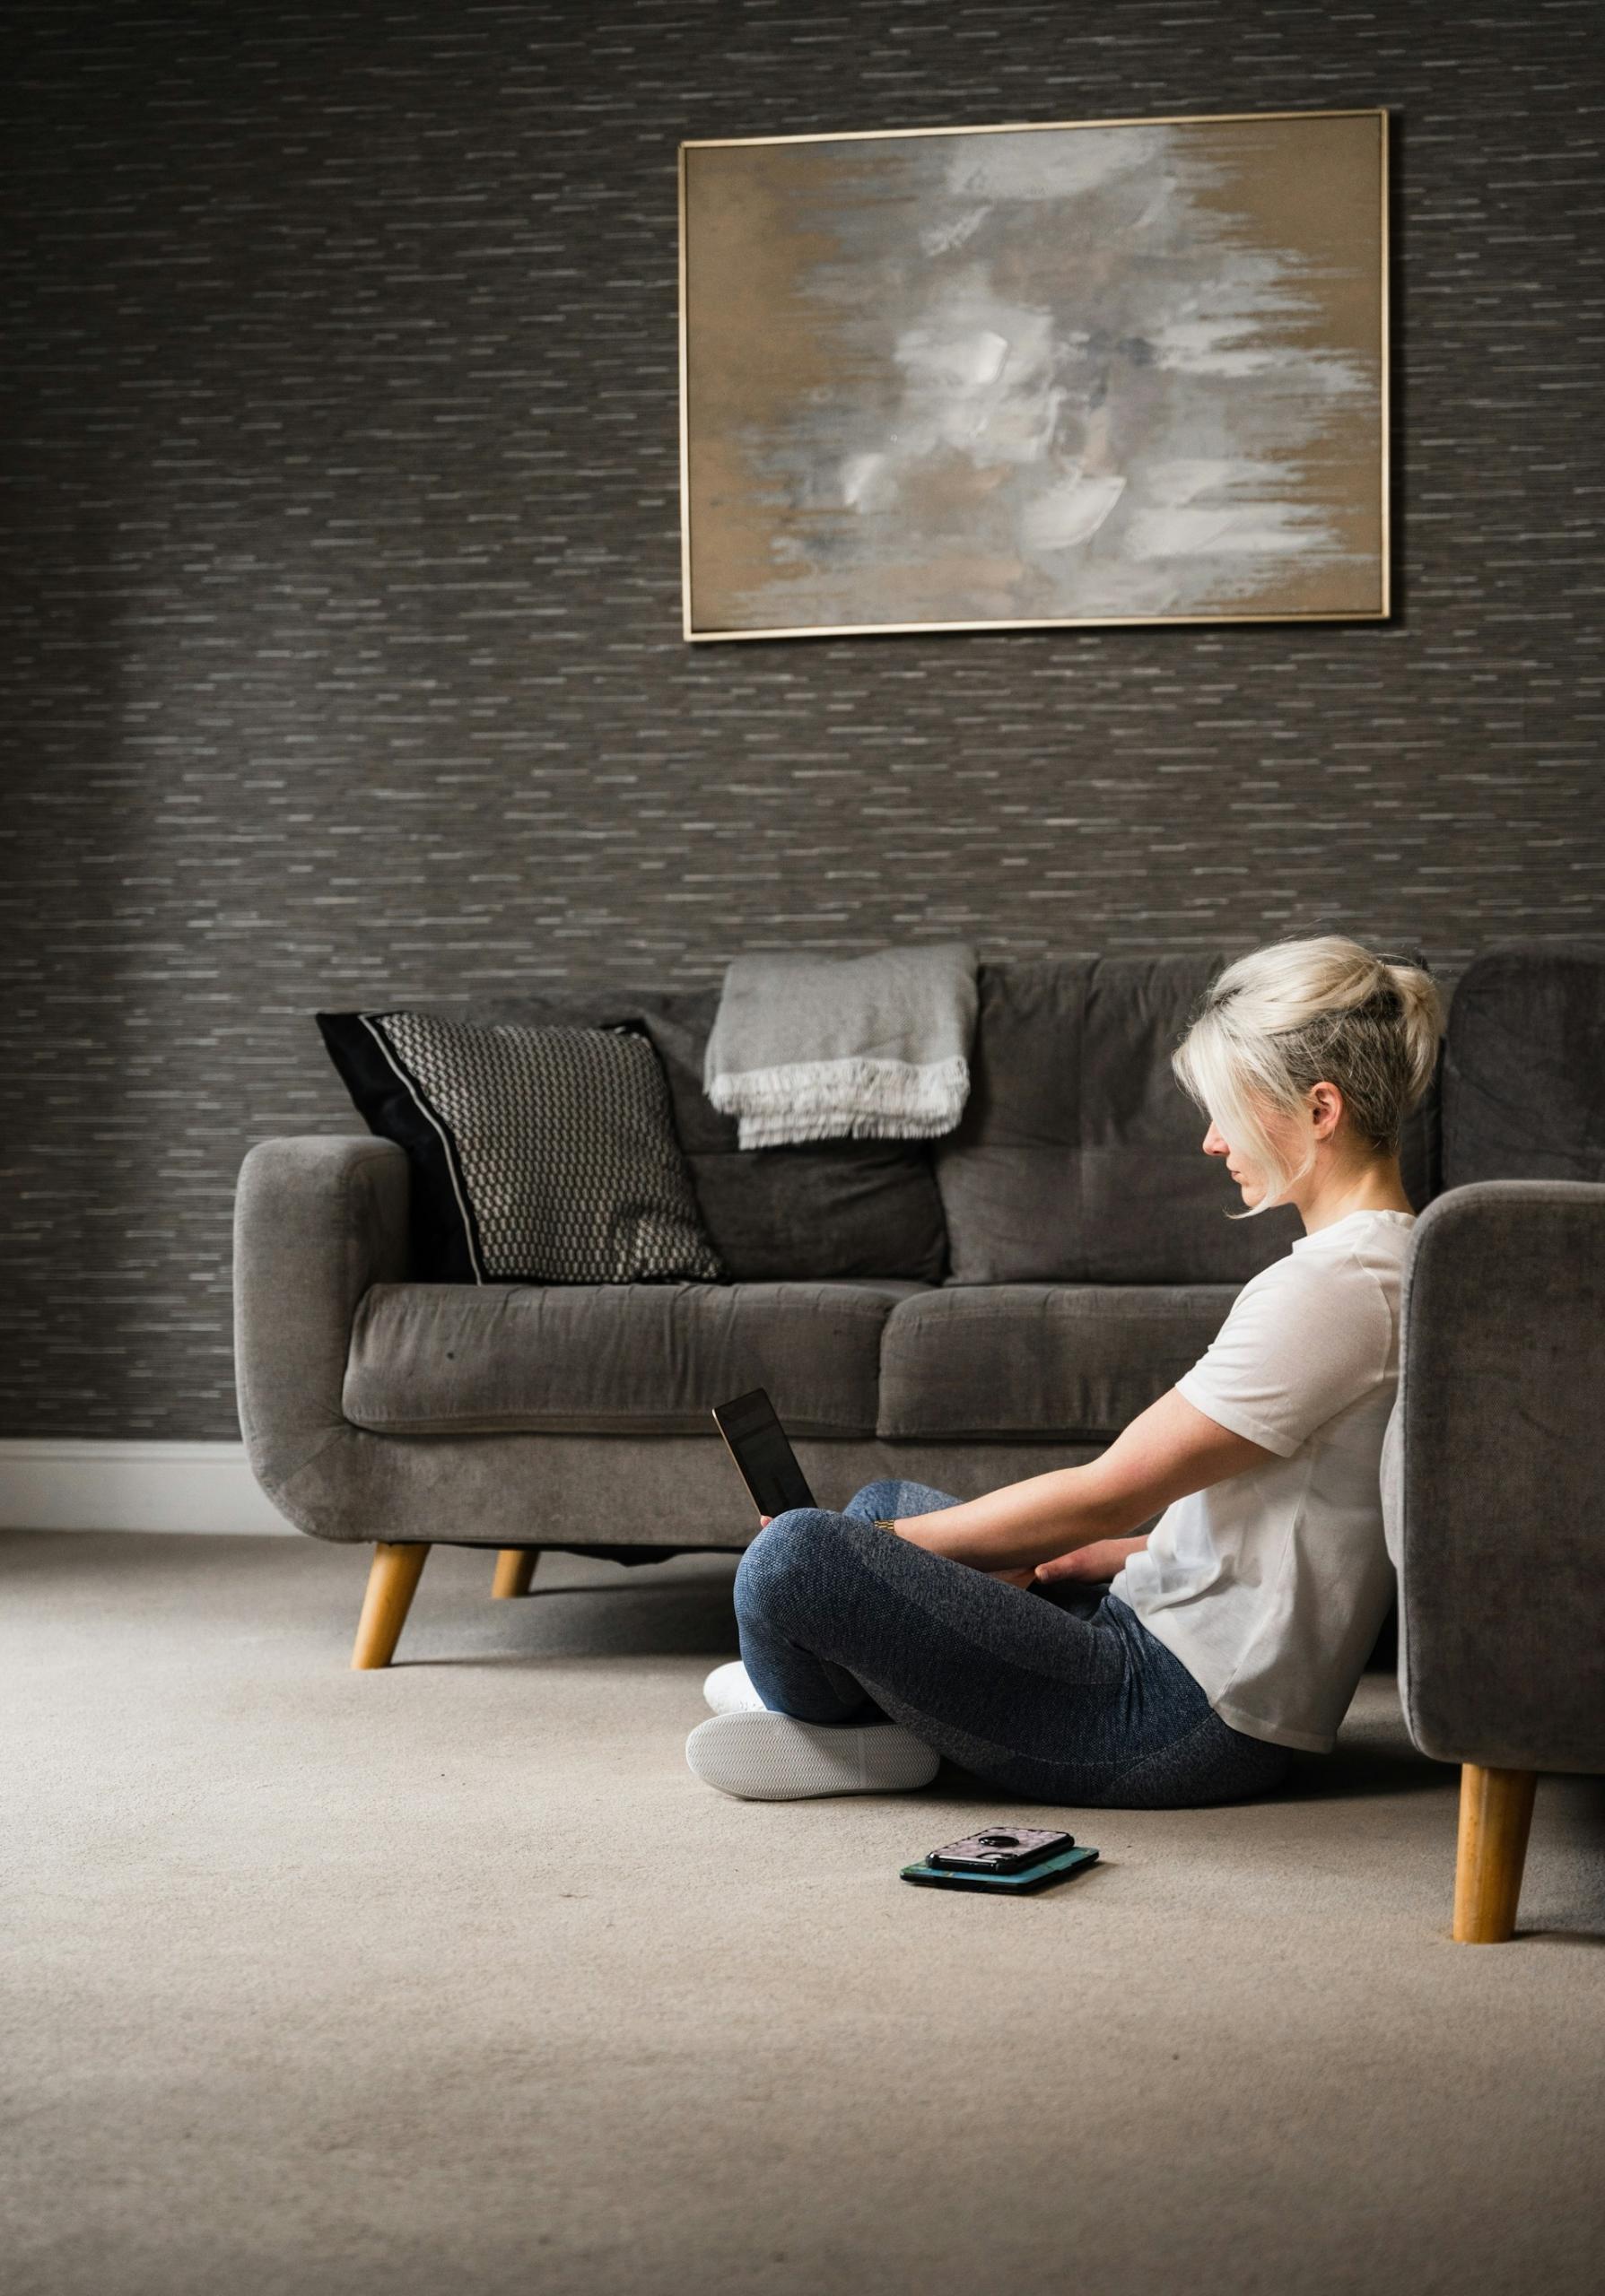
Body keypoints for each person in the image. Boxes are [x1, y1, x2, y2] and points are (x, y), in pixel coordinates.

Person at [685, 934, 1445, 1806]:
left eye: (1230, 1108)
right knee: (882, 1504)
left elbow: (1109, 1488)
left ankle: (834, 1729)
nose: (1210, 1140)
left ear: (1319, 1110)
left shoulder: (1335, 1287)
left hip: (1177, 1713)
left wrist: (884, 1555)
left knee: (795, 1559)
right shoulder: (1386, 1263)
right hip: (1155, 1630)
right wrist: (1084, 1559)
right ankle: (871, 1721)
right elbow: (1290, 1523)